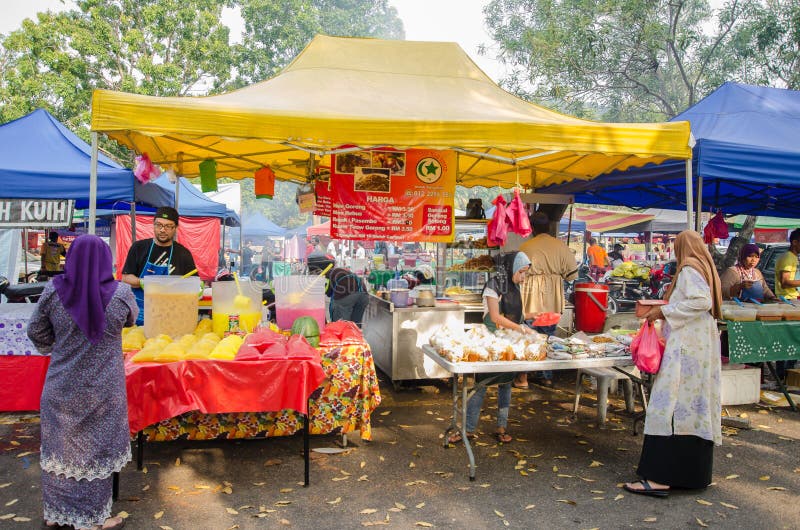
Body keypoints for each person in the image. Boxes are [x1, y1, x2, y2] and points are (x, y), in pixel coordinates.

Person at [27, 235, 137, 530]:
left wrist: (58, 343)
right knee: (95, 454)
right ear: (107, 260)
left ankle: (56, 514)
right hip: (103, 391)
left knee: (59, 452)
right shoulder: (122, 293)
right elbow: (131, 320)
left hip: (61, 387)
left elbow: (36, 331)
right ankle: (96, 519)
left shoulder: (52, 291)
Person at [624, 230, 722, 497]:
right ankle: (693, 475)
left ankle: (658, 478)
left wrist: (663, 311)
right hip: (698, 348)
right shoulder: (704, 267)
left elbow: (701, 302)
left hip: (687, 350)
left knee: (667, 406)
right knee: (692, 409)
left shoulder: (690, 269)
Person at [448, 252, 533, 444]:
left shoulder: (515, 286)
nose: (523, 277)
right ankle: (468, 429)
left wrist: (534, 315)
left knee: (506, 385)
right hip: (491, 343)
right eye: (521, 272)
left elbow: (517, 313)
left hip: (510, 342)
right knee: (481, 385)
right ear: (511, 268)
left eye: (525, 273)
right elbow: (495, 317)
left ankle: (501, 427)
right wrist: (520, 328)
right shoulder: (492, 287)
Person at [517, 212, 579, 388]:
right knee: (549, 336)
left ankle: (523, 378)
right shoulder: (560, 246)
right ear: (549, 227)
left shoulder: (526, 246)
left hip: (531, 296)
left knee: (528, 336)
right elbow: (571, 275)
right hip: (553, 296)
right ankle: (547, 376)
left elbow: (518, 273)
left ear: (532, 229)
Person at [121, 207, 196, 326]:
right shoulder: (138, 248)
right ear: (153, 224)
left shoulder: (184, 254)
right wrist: (145, 282)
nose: (162, 230)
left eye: (168, 226)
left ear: (176, 228)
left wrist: (198, 288)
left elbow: (193, 284)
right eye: (158, 225)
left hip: (170, 318)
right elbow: (125, 278)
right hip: (138, 318)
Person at [773, 229, 800, 377]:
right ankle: (783, 375)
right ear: (795, 242)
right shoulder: (789, 257)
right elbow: (785, 282)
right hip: (787, 302)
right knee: (788, 339)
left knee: (790, 339)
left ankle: (786, 375)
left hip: (791, 301)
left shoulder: (792, 257)